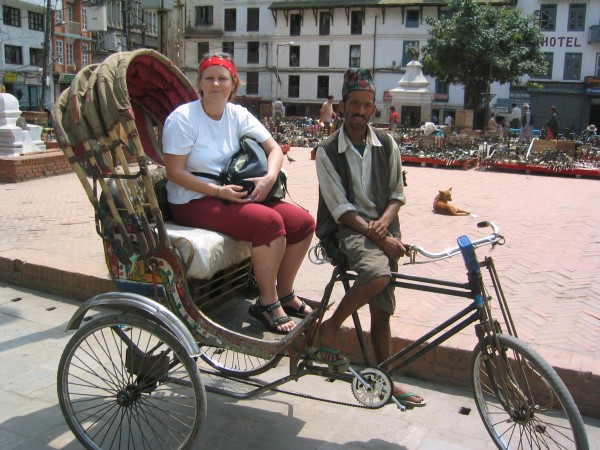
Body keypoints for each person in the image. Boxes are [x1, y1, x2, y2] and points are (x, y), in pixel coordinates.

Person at [162, 53, 315, 334]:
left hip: (230, 191)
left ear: (234, 84)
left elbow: (274, 149)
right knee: (269, 224)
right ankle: (266, 302)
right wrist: (218, 191)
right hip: (192, 198)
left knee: (303, 223)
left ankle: (284, 292)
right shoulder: (183, 118)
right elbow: (175, 172)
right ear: (200, 83)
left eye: (223, 79)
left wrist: (269, 179)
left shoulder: (237, 114)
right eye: (209, 78)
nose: (216, 84)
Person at [315, 68, 425, 408]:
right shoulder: (327, 151)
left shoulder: (387, 143)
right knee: (378, 274)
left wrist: (385, 227)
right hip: (349, 231)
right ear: (342, 106)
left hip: (383, 229)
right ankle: (331, 327)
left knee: (383, 312)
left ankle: (387, 380)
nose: (360, 112)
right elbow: (340, 209)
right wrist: (375, 232)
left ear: (374, 107)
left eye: (367, 105)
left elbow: (397, 194)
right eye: (354, 104)